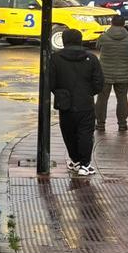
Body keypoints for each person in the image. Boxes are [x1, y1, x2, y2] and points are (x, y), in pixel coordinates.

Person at [48, 28, 103, 176]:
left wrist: (60, 93)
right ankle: (85, 164)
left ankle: (75, 160)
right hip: (86, 102)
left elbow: (50, 82)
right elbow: (99, 82)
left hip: (64, 103)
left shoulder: (55, 58)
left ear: (64, 40)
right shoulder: (91, 58)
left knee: (68, 132)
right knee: (86, 133)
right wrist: (88, 92)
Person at [94, 14, 128, 132]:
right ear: (124, 24)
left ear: (111, 23)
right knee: (122, 98)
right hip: (123, 73)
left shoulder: (103, 36)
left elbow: (98, 47)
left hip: (105, 73)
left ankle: (100, 124)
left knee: (102, 99)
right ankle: (122, 124)